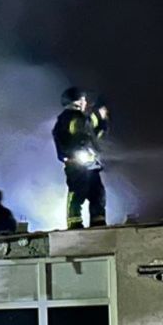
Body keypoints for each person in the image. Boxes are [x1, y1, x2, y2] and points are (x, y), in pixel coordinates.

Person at [52, 87, 109, 228]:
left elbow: (94, 134)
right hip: (76, 164)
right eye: (83, 100)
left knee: (98, 193)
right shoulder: (68, 118)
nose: (85, 103)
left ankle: (98, 221)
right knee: (77, 193)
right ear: (76, 101)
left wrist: (101, 119)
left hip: (90, 164)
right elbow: (77, 136)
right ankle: (74, 223)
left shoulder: (82, 119)